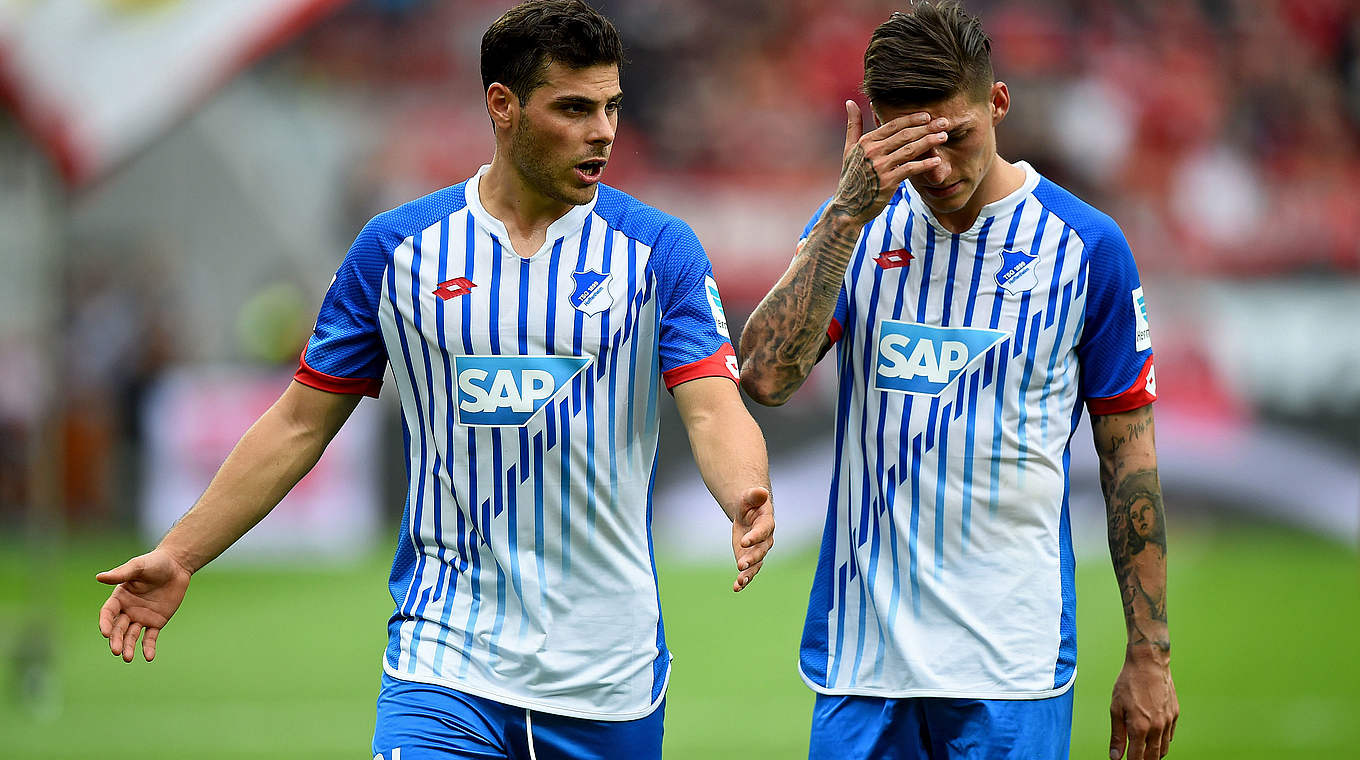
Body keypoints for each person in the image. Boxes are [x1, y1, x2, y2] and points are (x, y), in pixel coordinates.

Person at [95, 2, 775, 758]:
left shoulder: (658, 250)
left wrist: (744, 491)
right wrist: (182, 553)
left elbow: (713, 407)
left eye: (612, 107)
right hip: (445, 665)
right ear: (502, 106)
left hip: (606, 674)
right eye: (574, 108)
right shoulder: (397, 250)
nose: (604, 131)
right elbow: (299, 423)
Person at [738, 3, 1177, 759]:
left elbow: (1129, 462)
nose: (936, 168)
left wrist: (1150, 656)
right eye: (910, 145)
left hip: (1011, 665)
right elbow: (765, 379)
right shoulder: (855, 229)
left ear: (997, 103)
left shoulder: (1087, 248)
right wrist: (843, 219)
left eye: (955, 137)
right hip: (862, 662)